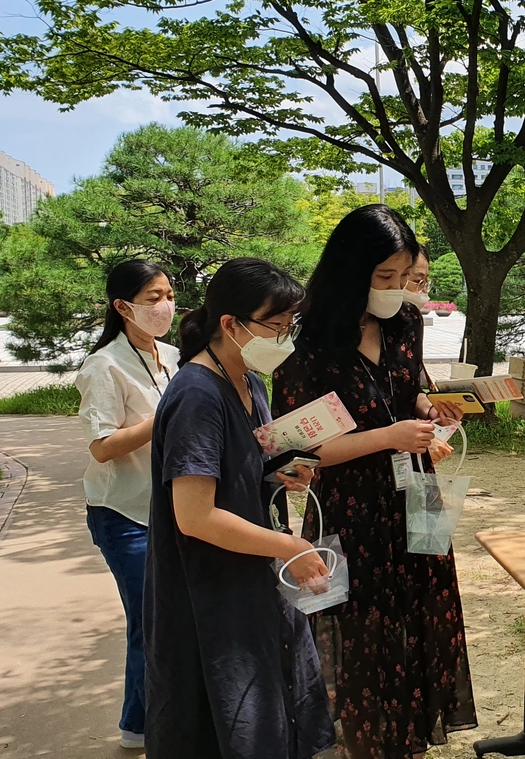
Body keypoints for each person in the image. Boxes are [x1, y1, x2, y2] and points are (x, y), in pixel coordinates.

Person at [272, 205, 478, 759]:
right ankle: (364, 742)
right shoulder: (305, 343)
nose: (395, 290)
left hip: (417, 489)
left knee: (419, 612)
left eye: (403, 277)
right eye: (382, 278)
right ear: (349, 272)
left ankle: (408, 737)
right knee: (361, 628)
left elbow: (410, 389)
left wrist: (432, 409)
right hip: (350, 502)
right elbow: (304, 446)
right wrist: (388, 435)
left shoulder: (405, 322)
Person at [144, 258, 335, 759]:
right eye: (276, 326)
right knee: (225, 716)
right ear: (231, 324)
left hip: (250, 577)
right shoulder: (197, 395)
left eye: (289, 326)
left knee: (270, 708)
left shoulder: (249, 381)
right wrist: (290, 546)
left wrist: (278, 472)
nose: (285, 338)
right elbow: (194, 515)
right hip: (210, 589)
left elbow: (240, 469)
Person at [75, 260, 180, 750]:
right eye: (153, 298)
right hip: (124, 515)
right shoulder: (103, 367)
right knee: (149, 623)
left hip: (171, 506)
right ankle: (137, 727)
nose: (165, 306)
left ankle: (160, 717)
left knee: (170, 618)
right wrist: (168, 416)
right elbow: (102, 446)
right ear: (123, 307)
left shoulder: (174, 357)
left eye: (170, 295)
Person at [403, 244, 454, 465]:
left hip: (408, 465)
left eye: (426, 282)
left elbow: (410, 390)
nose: (423, 290)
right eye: (417, 281)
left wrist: (433, 412)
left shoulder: (411, 323)